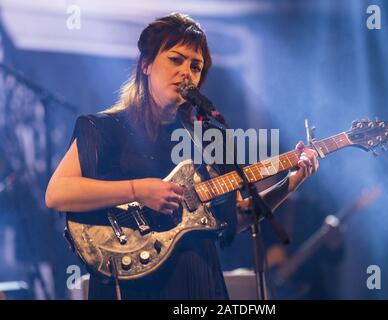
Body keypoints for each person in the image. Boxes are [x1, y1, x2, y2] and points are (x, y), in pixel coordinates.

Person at [45, 12, 319, 300]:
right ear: (146, 65)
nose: (186, 72)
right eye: (175, 59)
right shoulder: (104, 127)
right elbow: (57, 193)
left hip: (200, 283)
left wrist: (292, 181)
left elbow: (235, 217)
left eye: (196, 66)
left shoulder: (208, 139)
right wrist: (138, 190)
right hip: (131, 285)